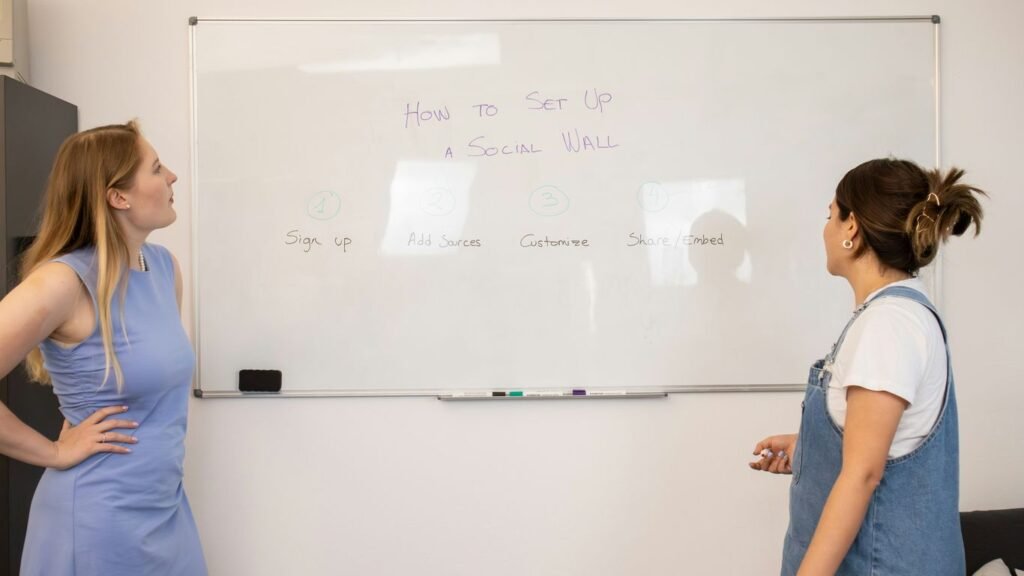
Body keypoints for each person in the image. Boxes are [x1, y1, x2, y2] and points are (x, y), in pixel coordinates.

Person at [749, 158, 986, 575]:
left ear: (852, 230)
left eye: (830, 216)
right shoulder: (893, 315)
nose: (825, 229)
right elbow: (884, 443)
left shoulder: (888, 325)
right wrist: (811, 451)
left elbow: (863, 474)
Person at [0, 120, 206, 575]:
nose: (171, 176)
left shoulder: (163, 268)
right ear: (119, 197)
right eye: (156, 168)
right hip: (97, 520)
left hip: (166, 511)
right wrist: (52, 452)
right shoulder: (63, 282)